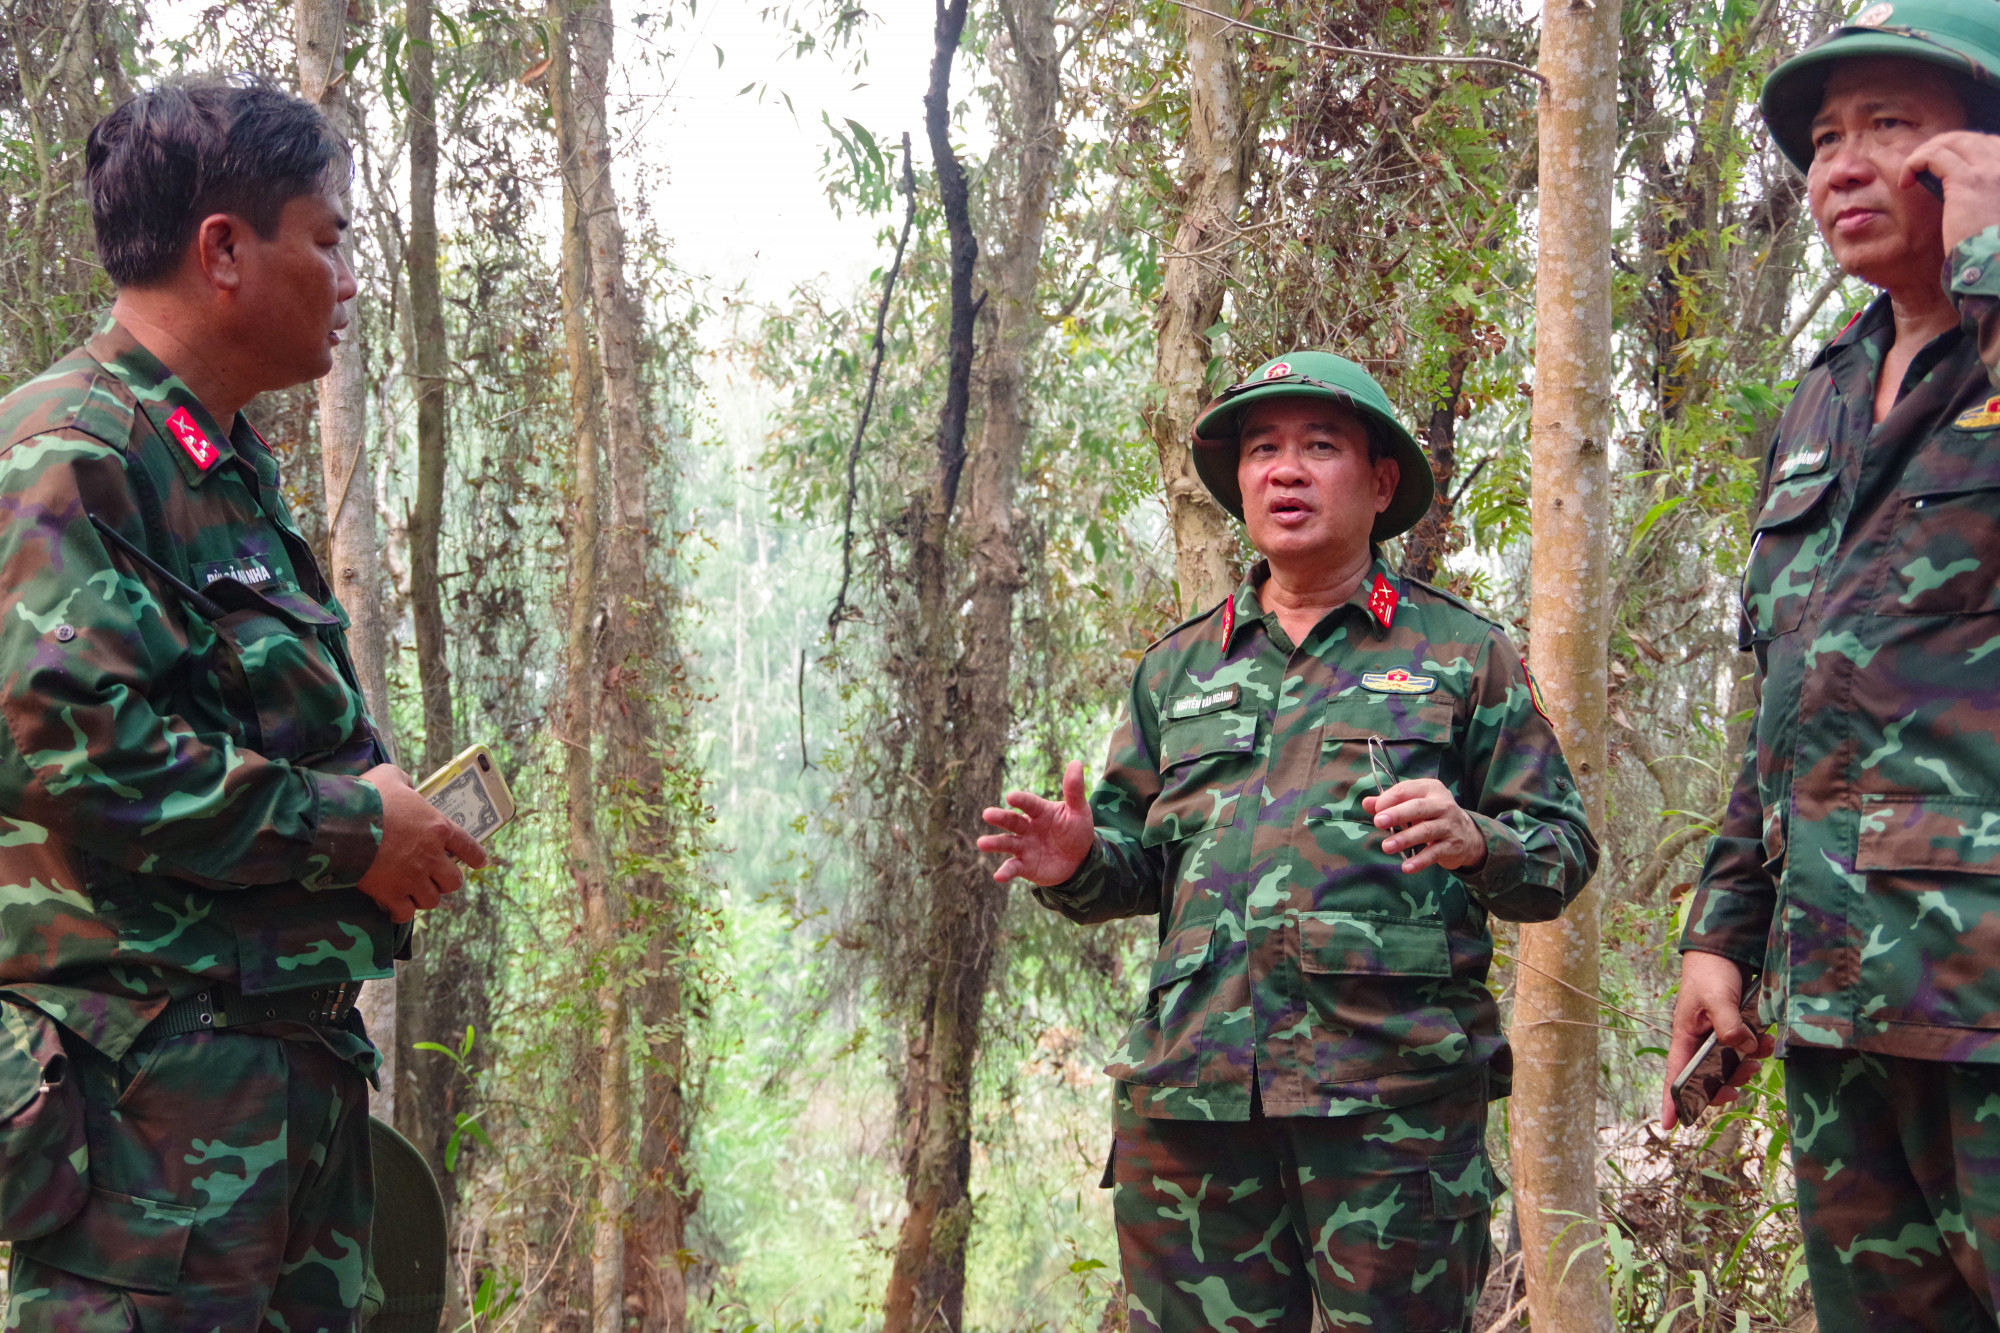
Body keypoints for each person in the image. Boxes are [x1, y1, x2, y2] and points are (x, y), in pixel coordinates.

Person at [979, 351, 1598, 1333]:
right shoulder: (1177, 668)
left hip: (1390, 1110)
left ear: (1380, 479)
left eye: (1318, 446)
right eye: (1261, 449)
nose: (1284, 470)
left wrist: (1476, 839)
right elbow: (1136, 867)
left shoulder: (1458, 655)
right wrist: (1073, 864)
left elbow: (1559, 852)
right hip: (1193, 1109)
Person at [0, 79, 484, 1330]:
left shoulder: (218, 462)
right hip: (146, 1143)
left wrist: (385, 827)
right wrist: (350, 829)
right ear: (225, 249)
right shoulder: (68, 454)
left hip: (286, 1100)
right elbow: (70, 746)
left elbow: (263, 725)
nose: (349, 277)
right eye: (326, 238)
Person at [1666, 0, 2000, 1323]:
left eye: (1889, 126)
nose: (1841, 167)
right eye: (1823, 140)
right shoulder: (1822, 393)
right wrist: (1721, 933)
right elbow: (1790, 690)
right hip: (1841, 1009)